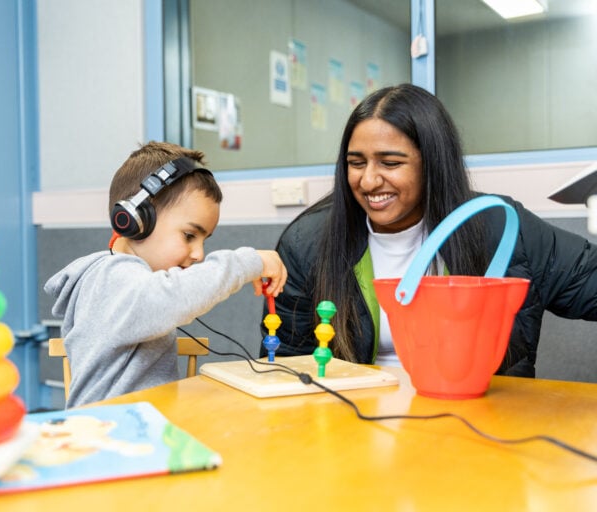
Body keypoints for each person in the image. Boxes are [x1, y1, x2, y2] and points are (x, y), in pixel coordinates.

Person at [263, 83, 597, 377]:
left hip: (478, 426)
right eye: (356, 163)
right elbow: (287, 367)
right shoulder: (307, 244)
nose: (368, 181)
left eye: (391, 163)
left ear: (433, 164)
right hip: (353, 428)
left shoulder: (500, 227)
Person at [46, 141, 287, 407]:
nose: (199, 254)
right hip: (107, 435)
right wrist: (247, 262)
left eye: (203, 240)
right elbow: (173, 296)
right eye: (189, 235)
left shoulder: (129, 279)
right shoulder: (111, 279)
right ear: (136, 220)